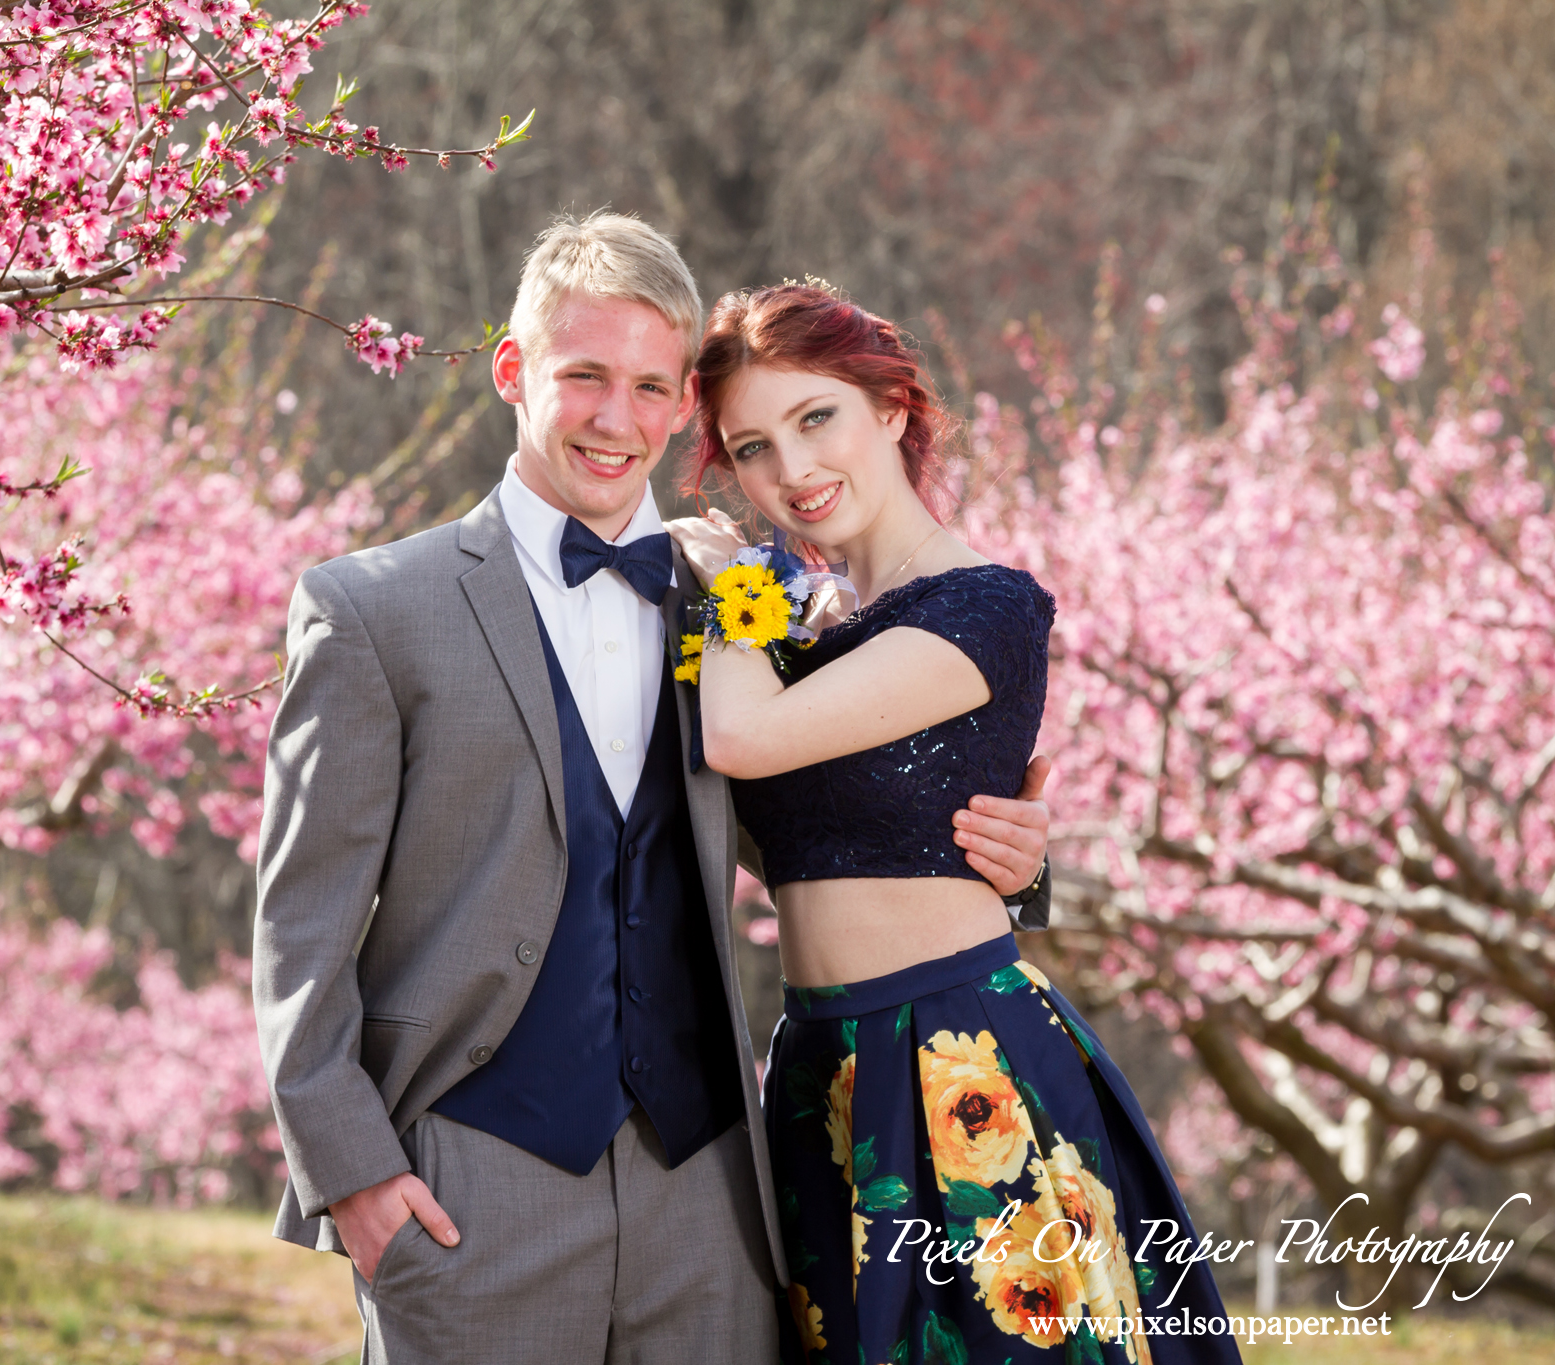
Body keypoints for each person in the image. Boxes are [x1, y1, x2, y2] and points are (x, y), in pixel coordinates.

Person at [252, 213, 1053, 1365]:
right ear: (513, 372)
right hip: (471, 1186)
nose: (613, 419)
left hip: (714, 1198)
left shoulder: (744, 605)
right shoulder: (375, 611)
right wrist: (353, 1179)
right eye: (583, 377)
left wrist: (1017, 861)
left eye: (647, 386)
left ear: (683, 404)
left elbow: (851, 819)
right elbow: (299, 926)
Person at [665, 281, 1239, 1364]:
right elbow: (777, 830)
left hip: (956, 1056)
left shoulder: (984, 605)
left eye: (814, 418)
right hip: (820, 1063)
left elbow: (738, 745)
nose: (789, 472)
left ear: (888, 408)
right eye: (750, 448)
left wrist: (728, 590)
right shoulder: (792, 644)